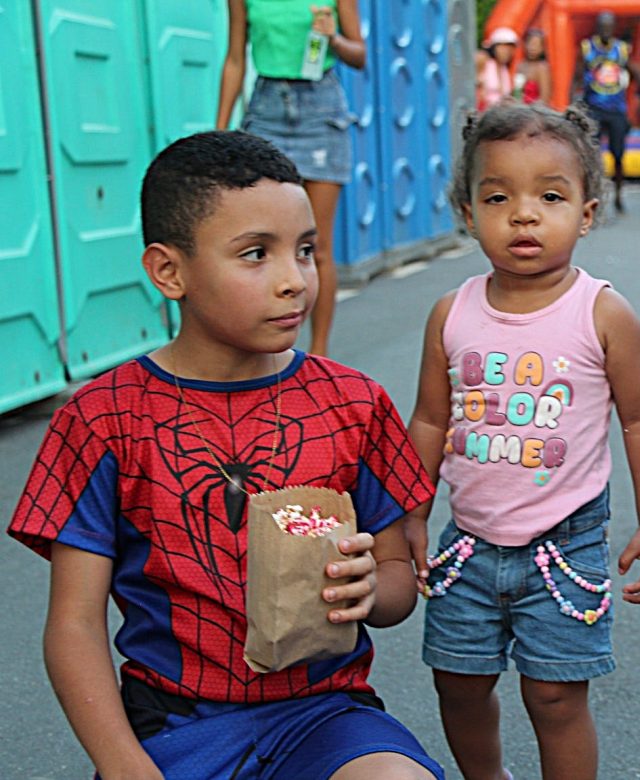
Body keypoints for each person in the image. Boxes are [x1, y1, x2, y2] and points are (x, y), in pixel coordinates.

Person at [7, 131, 443, 779]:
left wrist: (374, 587)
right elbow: (73, 625)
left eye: (305, 251)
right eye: (255, 254)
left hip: (324, 712)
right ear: (168, 271)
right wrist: (126, 766)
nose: (294, 281)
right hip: (173, 723)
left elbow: (399, 584)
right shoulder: (102, 418)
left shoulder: (354, 403)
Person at [407, 102, 640, 780]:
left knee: (554, 696)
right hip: (466, 543)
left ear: (585, 212)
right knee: (457, 684)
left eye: (550, 196)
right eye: (498, 197)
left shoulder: (603, 313)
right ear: (467, 213)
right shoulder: (452, 312)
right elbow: (431, 423)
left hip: (565, 544)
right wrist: (407, 514)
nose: (524, 215)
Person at [217, 0, 365, 359]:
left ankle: (318, 355)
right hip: (267, 109)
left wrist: (334, 39)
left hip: (320, 108)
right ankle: (265, 347)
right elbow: (235, 58)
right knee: (259, 238)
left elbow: (358, 54)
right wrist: (219, 133)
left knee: (318, 246)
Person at [575, 11, 635, 214]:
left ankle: (619, 195)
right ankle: (594, 195)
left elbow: (631, 72)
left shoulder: (621, 49)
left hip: (617, 109)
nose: (606, 30)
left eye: (610, 26)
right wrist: (574, 104)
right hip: (594, 108)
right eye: (603, 26)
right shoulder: (587, 48)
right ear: (597, 27)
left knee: (618, 155)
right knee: (592, 155)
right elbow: (576, 76)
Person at [477, 27, 520, 110]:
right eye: (503, 47)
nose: (506, 51)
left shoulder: (505, 68)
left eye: (510, 49)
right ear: (494, 47)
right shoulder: (484, 60)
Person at [516, 28, 552, 105]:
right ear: (525, 44)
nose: (532, 48)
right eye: (530, 43)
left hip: (534, 112)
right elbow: (517, 92)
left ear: (542, 49)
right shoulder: (521, 66)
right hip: (519, 110)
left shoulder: (542, 68)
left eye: (536, 45)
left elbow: (544, 99)